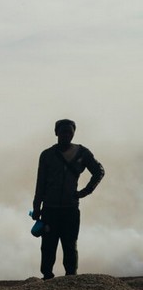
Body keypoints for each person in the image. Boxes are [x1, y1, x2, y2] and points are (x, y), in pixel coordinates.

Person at [31, 119, 104, 279]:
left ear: (73, 133)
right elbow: (40, 183)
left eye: (69, 132)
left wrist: (85, 191)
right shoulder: (47, 155)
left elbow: (99, 172)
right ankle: (47, 277)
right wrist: (37, 206)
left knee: (69, 245)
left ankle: (71, 278)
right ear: (56, 133)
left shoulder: (82, 153)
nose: (66, 135)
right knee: (48, 246)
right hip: (50, 209)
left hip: (70, 208)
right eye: (63, 132)